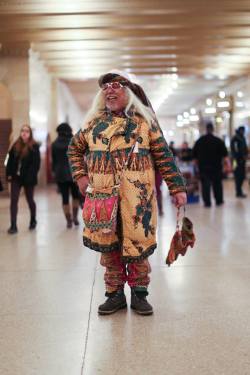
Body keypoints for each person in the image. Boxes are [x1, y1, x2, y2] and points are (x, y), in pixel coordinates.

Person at [68, 71, 187, 316]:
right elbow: (74, 150)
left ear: (128, 92)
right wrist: (80, 176)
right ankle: (114, 295)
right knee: (109, 247)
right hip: (103, 199)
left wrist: (176, 187)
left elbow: (164, 156)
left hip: (137, 200)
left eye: (115, 87)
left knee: (136, 246)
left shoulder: (145, 123)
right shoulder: (92, 125)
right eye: (105, 89)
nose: (109, 92)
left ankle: (140, 294)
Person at [6, 124, 40, 234]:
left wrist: (30, 177)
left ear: (30, 134)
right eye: (22, 131)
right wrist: (9, 174)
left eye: (27, 131)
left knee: (30, 200)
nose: (24, 133)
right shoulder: (15, 145)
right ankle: (13, 225)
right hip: (16, 177)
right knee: (13, 200)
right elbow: (10, 162)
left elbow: (36, 165)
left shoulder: (34, 147)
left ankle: (33, 219)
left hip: (28, 179)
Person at [193, 122, 229, 207]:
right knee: (217, 185)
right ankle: (219, 201)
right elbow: (225, 155)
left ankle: (207, 202)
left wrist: (196, 167)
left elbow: (194, 155)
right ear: (213, 129)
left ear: (206, 129)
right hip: (216, 167)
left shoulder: (200, 141)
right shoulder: (218, 140)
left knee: (205, 185)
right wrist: (226, 166)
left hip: (203, 167)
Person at [52, 122, 80, 228]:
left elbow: (53, 161)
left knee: (64, 198)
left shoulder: (54, 144)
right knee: (75, 196)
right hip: (74, 173)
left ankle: (68, 220)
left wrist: (55, 172)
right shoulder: (74, 142)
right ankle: (75, 218)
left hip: (60, 175)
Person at [230, 126, 248, 198]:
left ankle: (239, 191)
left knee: (242, 176)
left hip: (242, 160)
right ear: (240, 130)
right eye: (243, 130)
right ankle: (238, 192)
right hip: (236, 161)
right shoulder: (236, 138)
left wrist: (245, 155)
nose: (243, 132)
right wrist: (238, 158)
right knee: (238, 176)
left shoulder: (242, 137)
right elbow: (235, 150)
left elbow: (244, 148)